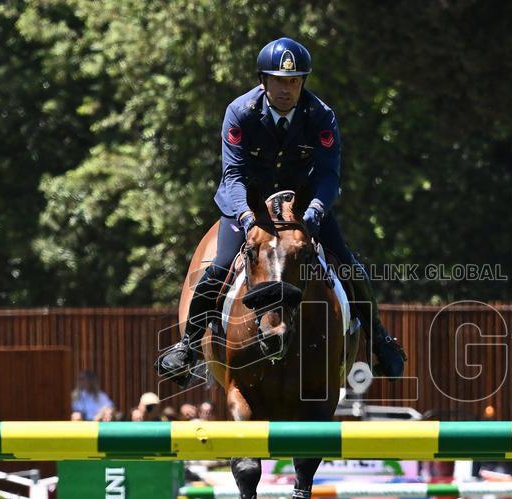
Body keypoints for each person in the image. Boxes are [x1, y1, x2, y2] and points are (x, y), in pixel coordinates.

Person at [158, 37, 406, 386]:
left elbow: (327, 175)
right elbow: (234, 174)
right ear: (264, 80)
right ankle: (186, 348)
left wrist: (315, 211)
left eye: (294, 81)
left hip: (302, 209)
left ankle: (380, 341)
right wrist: (245, 216)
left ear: (302, 81)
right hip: (249, 206)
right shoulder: (240, 112)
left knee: (348, 264)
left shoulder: (320, 116)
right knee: (217, 268)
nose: (287, 89)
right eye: (279, 80)